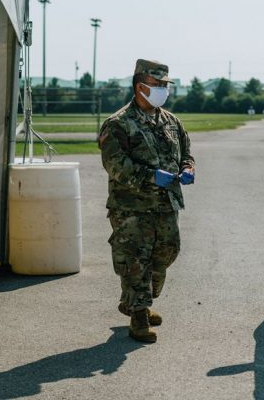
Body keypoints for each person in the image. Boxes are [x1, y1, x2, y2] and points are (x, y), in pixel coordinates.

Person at [98, 59, 195, 343]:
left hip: (167, 204)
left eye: (166, 86)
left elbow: (186, 152)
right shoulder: (118, 124)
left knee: (167, 252)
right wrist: (150, 176)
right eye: (158, 85)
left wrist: (188, 168)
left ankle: (135, 300)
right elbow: (115, 165)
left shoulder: (171, 121)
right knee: (135, 259)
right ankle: (138, 314)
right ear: (140, 87)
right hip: (132, 207)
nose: (164, 90)